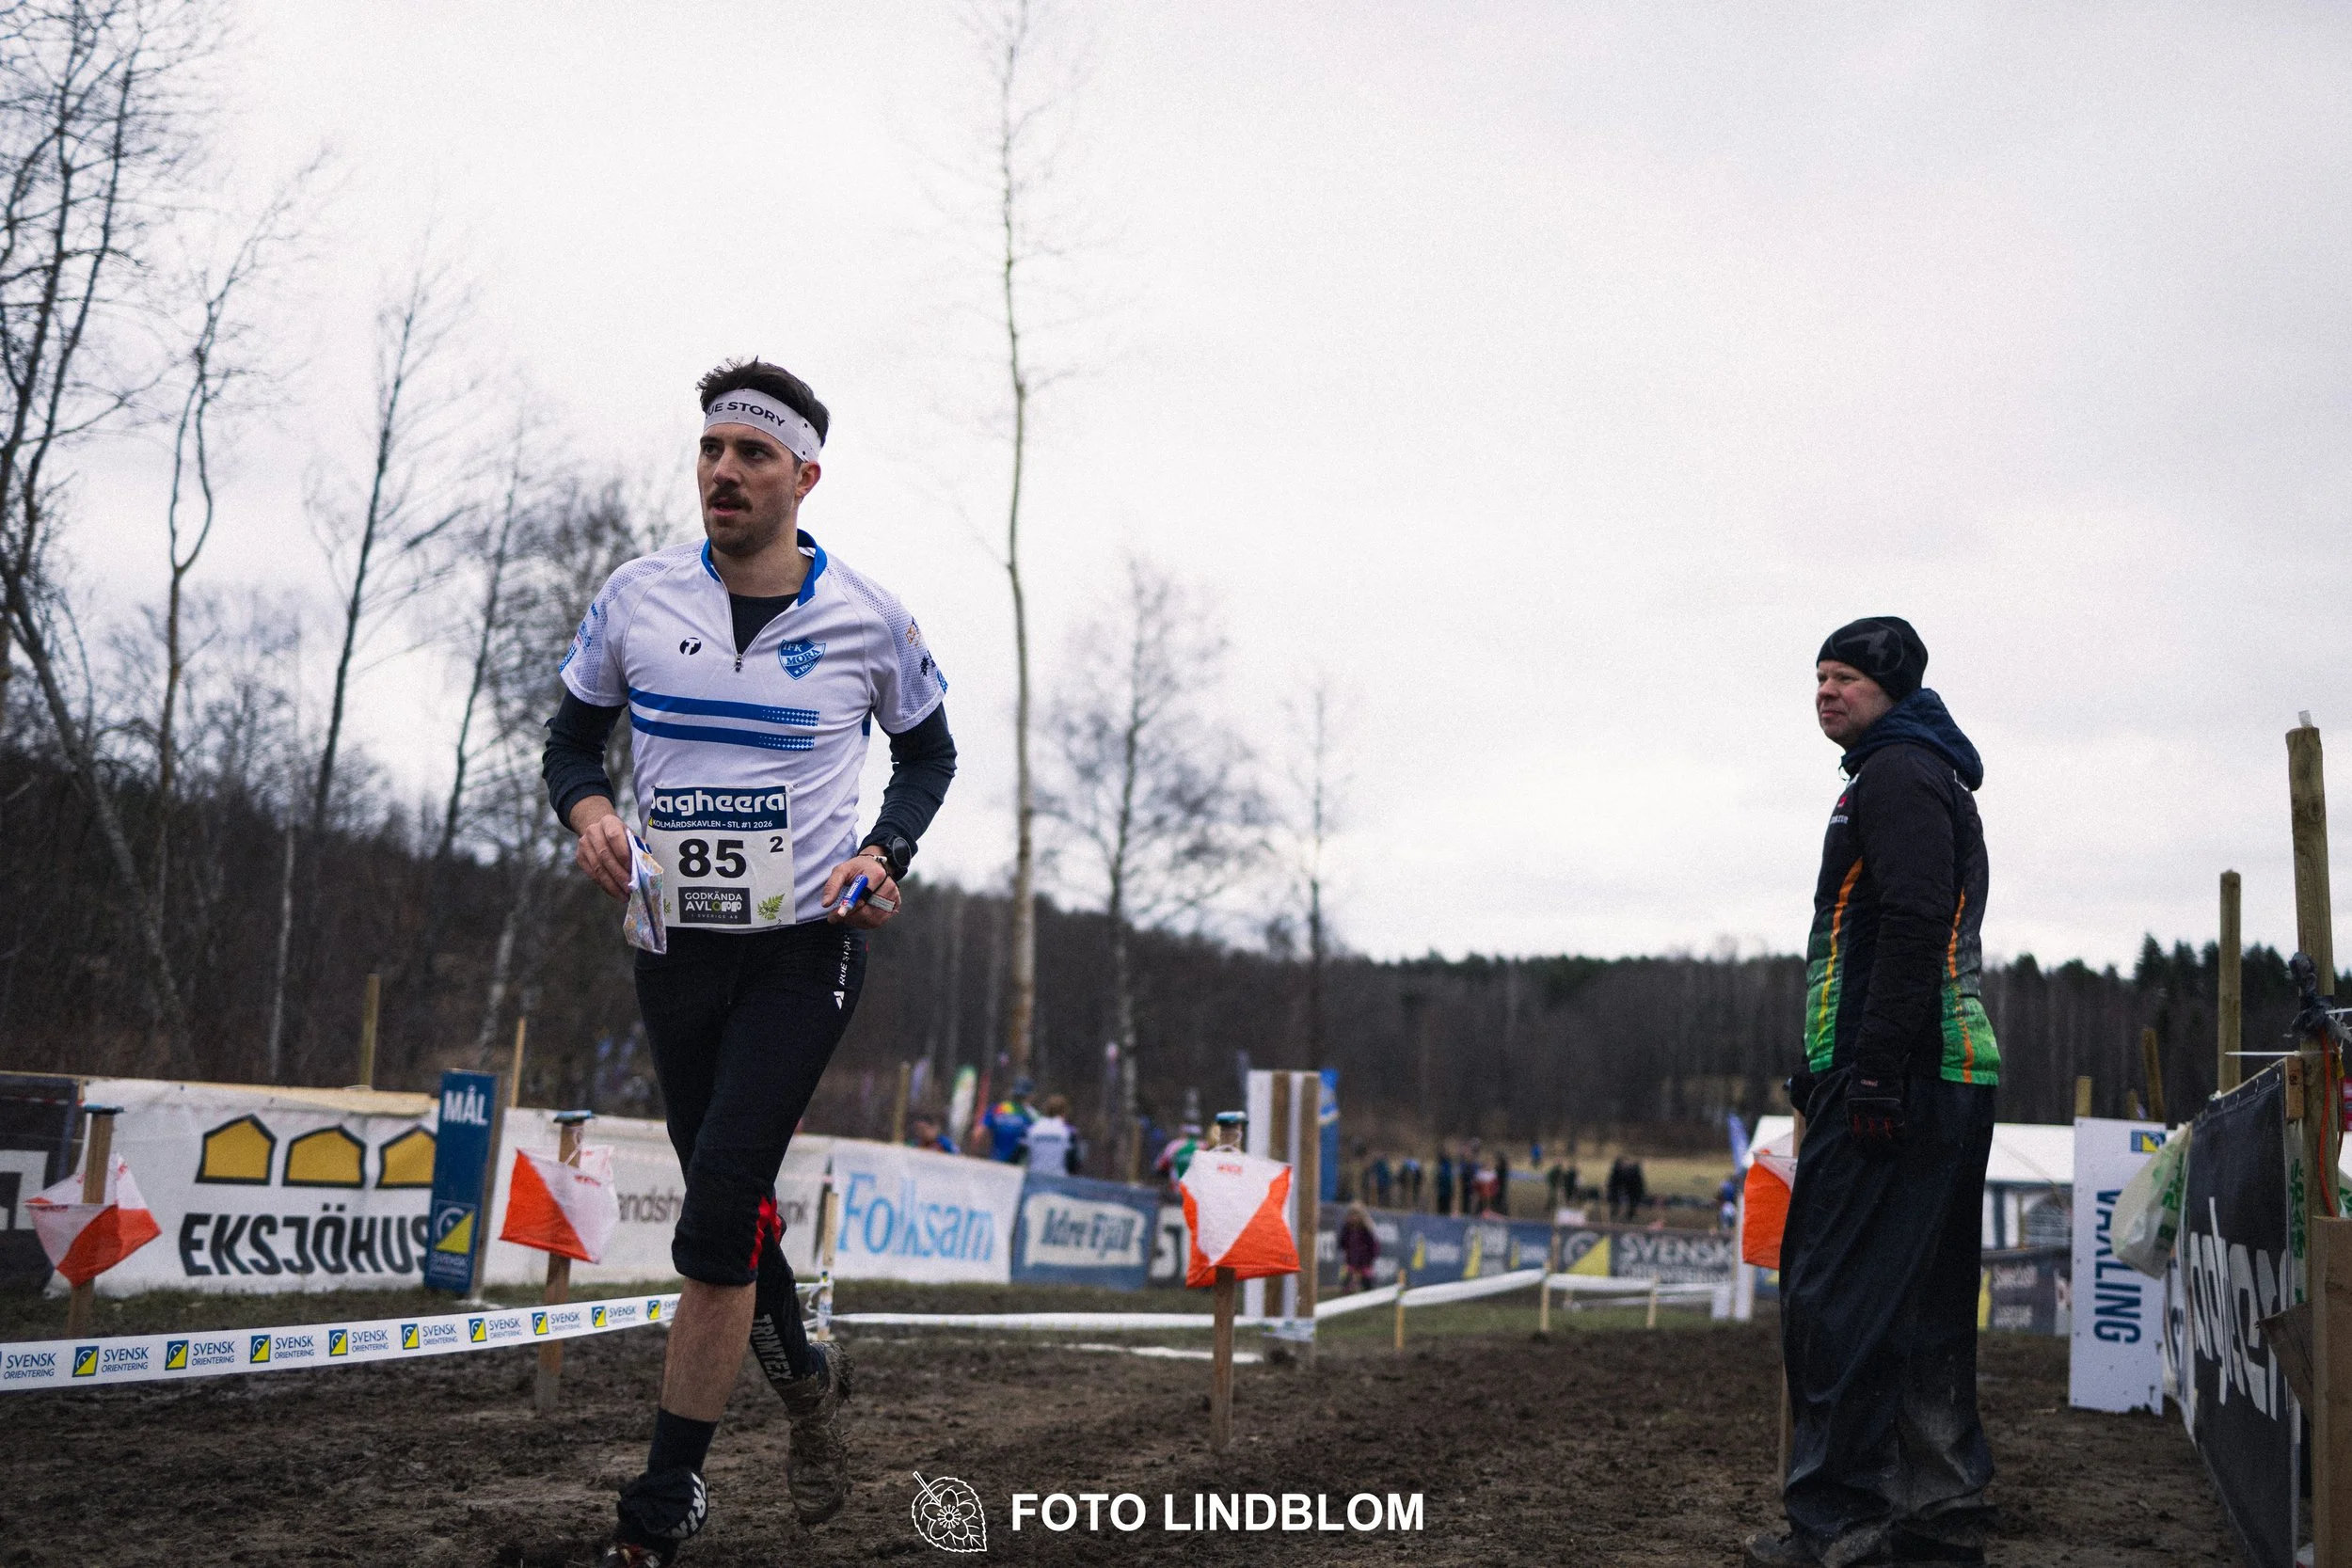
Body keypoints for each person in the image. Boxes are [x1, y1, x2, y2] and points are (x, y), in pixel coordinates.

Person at [544, 357, 956, 1567]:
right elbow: (573, 736)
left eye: (753, 454)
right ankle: (808, 1379)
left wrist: (887, 854)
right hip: (673, 947)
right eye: (713, 448)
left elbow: (928, 758)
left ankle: (664, 1497)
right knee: (730, 1205)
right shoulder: (635, 597)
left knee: (718, 1201)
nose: (724, 470)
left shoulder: (869, 619)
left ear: (803, 477)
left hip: (805, 949)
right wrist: (588, 816)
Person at [1747, 617, 1999, 1568]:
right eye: (1816, 674)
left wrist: (1871, 1070)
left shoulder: (1893, 774)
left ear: (1891, 690)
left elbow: (1913, 918)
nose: (1824, 690)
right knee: (1926, 1296)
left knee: (1833, 1296)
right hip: (1947, 1073)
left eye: (1845, 676)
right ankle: (1940, 1507)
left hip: (1902, 1077)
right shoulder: (1917, 771)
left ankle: (1842, 1523)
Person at [983, 1078, 1038, 1164]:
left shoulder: (997, 1109)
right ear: (1031, 1096)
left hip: (995, 1161)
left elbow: (978, 1134)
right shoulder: (1033, 1115)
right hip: (1019, 1167)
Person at [1023, 1093, 1079, 1175]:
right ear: (1065, 1111)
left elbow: (1022, 1154)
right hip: (1058, 1179)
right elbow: (1072, 1162)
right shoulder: (1068, 1131)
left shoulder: (1033, 1129)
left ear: (1046, 1109)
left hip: (1034, 1177)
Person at [1338, 1203, 1379, 1293]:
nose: (1353, 1217)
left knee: (1368, 1285)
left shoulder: (1367, 1229)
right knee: (1346, 1283)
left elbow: (1374, 1246)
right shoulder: (1347, 1228)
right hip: (1350, 1260)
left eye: (1355, 1215)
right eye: (1351, 1215)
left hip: (1365, 1261)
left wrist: (1370, 1259)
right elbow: (1342, 1243)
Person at [1433, 1151, 1455, 1216]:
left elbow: (1448, 1179)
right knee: (1443, 1208)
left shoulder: (1444, 1167)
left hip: (1445, 1191)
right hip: (1443, 1191)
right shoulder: (1444, 1166)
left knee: (1444, 1208)